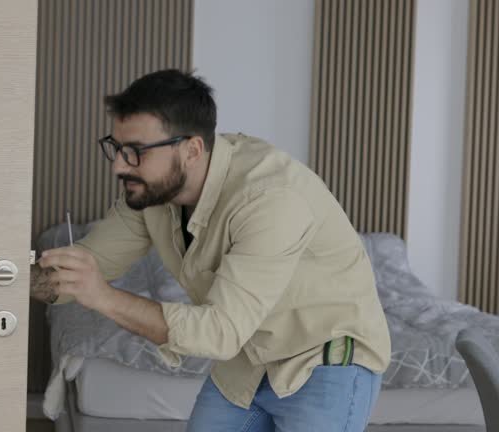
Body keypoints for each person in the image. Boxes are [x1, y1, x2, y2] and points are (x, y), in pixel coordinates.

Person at [30, 69, 390, 431]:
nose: (118, 165)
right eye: (117, 147)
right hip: (248, 358)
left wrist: (104, 297)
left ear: (192, 150)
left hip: (322, 358)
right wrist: (5, 277)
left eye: (135, 152)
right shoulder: (151, 195)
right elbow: (81, 270)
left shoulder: (270, 199)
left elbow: (220, 331)